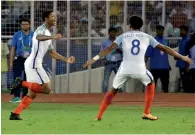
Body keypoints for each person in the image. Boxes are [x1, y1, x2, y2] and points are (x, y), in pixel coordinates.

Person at [83, 16, 192, 121]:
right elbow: (164, 48)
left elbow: (109, 48)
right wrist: (182, 57)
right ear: (141, 25)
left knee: (113, 90)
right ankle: (146, 112)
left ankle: (99, 116)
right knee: (151, 83)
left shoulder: (123, 36)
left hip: (124, 69)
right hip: (140, 69)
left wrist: (93, 59)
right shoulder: (147, 36)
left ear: (130, 25)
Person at [9, 11, 75, 120]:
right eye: (52, 16)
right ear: (46, 18)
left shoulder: (48, 33)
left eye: (55, 16)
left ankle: (15, 114)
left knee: (32, 94)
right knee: (47, 89)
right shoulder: (41, 29)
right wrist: (53, 37)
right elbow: (38, 37)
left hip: (33, 63)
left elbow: (52, 53)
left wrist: (66, 59)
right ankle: (21, 83)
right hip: (34, 64)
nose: (55, 18)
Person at [9, 18, 34, 103]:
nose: (25, 26)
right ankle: (16, 96)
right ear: (21, 25)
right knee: (17, 77)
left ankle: (24, 97)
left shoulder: (33, 35)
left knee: (28, 78)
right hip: (19, 58)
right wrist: (11, 62)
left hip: (30, 59)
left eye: (26, 24)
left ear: (29, 25)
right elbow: (13, 48)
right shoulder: (17, 35)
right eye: (23, 24)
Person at [145, 25, 171, 93]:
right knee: (152, 86)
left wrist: (168, 64)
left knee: (165, 87)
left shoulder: (165, 41)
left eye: (162, 30)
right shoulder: (152, 42)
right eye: (159, 30)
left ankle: (166, 102)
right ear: (156, 31)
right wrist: (144, 65)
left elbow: (165, 54)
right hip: (155, 67)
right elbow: (147, 55)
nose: (161, 32)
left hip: (165, 67)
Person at [101, 27, 123, 93]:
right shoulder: (105, 42)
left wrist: (120, 50)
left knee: (119, 79)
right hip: (109, 63)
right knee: (106, 79)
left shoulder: (119, 42)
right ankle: (104, 93)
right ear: (109, 33)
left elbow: (123, 51)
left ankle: (121, 94)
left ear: (116, 33)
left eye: (114, 32)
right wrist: (103, 59)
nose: (113, 33)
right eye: (112, 32)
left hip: (118, 62)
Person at [175, 25, 191, 93]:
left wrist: (188, 65)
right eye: (180, 30)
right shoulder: (181, 41)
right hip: (181, 64)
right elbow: (182, 53)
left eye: (183, 30)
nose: (181, 32)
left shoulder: (188, 40)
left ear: (186, 31)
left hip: (186, 65)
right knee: (184, 83)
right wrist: (177, 56)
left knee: (188, 83)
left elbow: (190, 54)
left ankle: (189, 100)